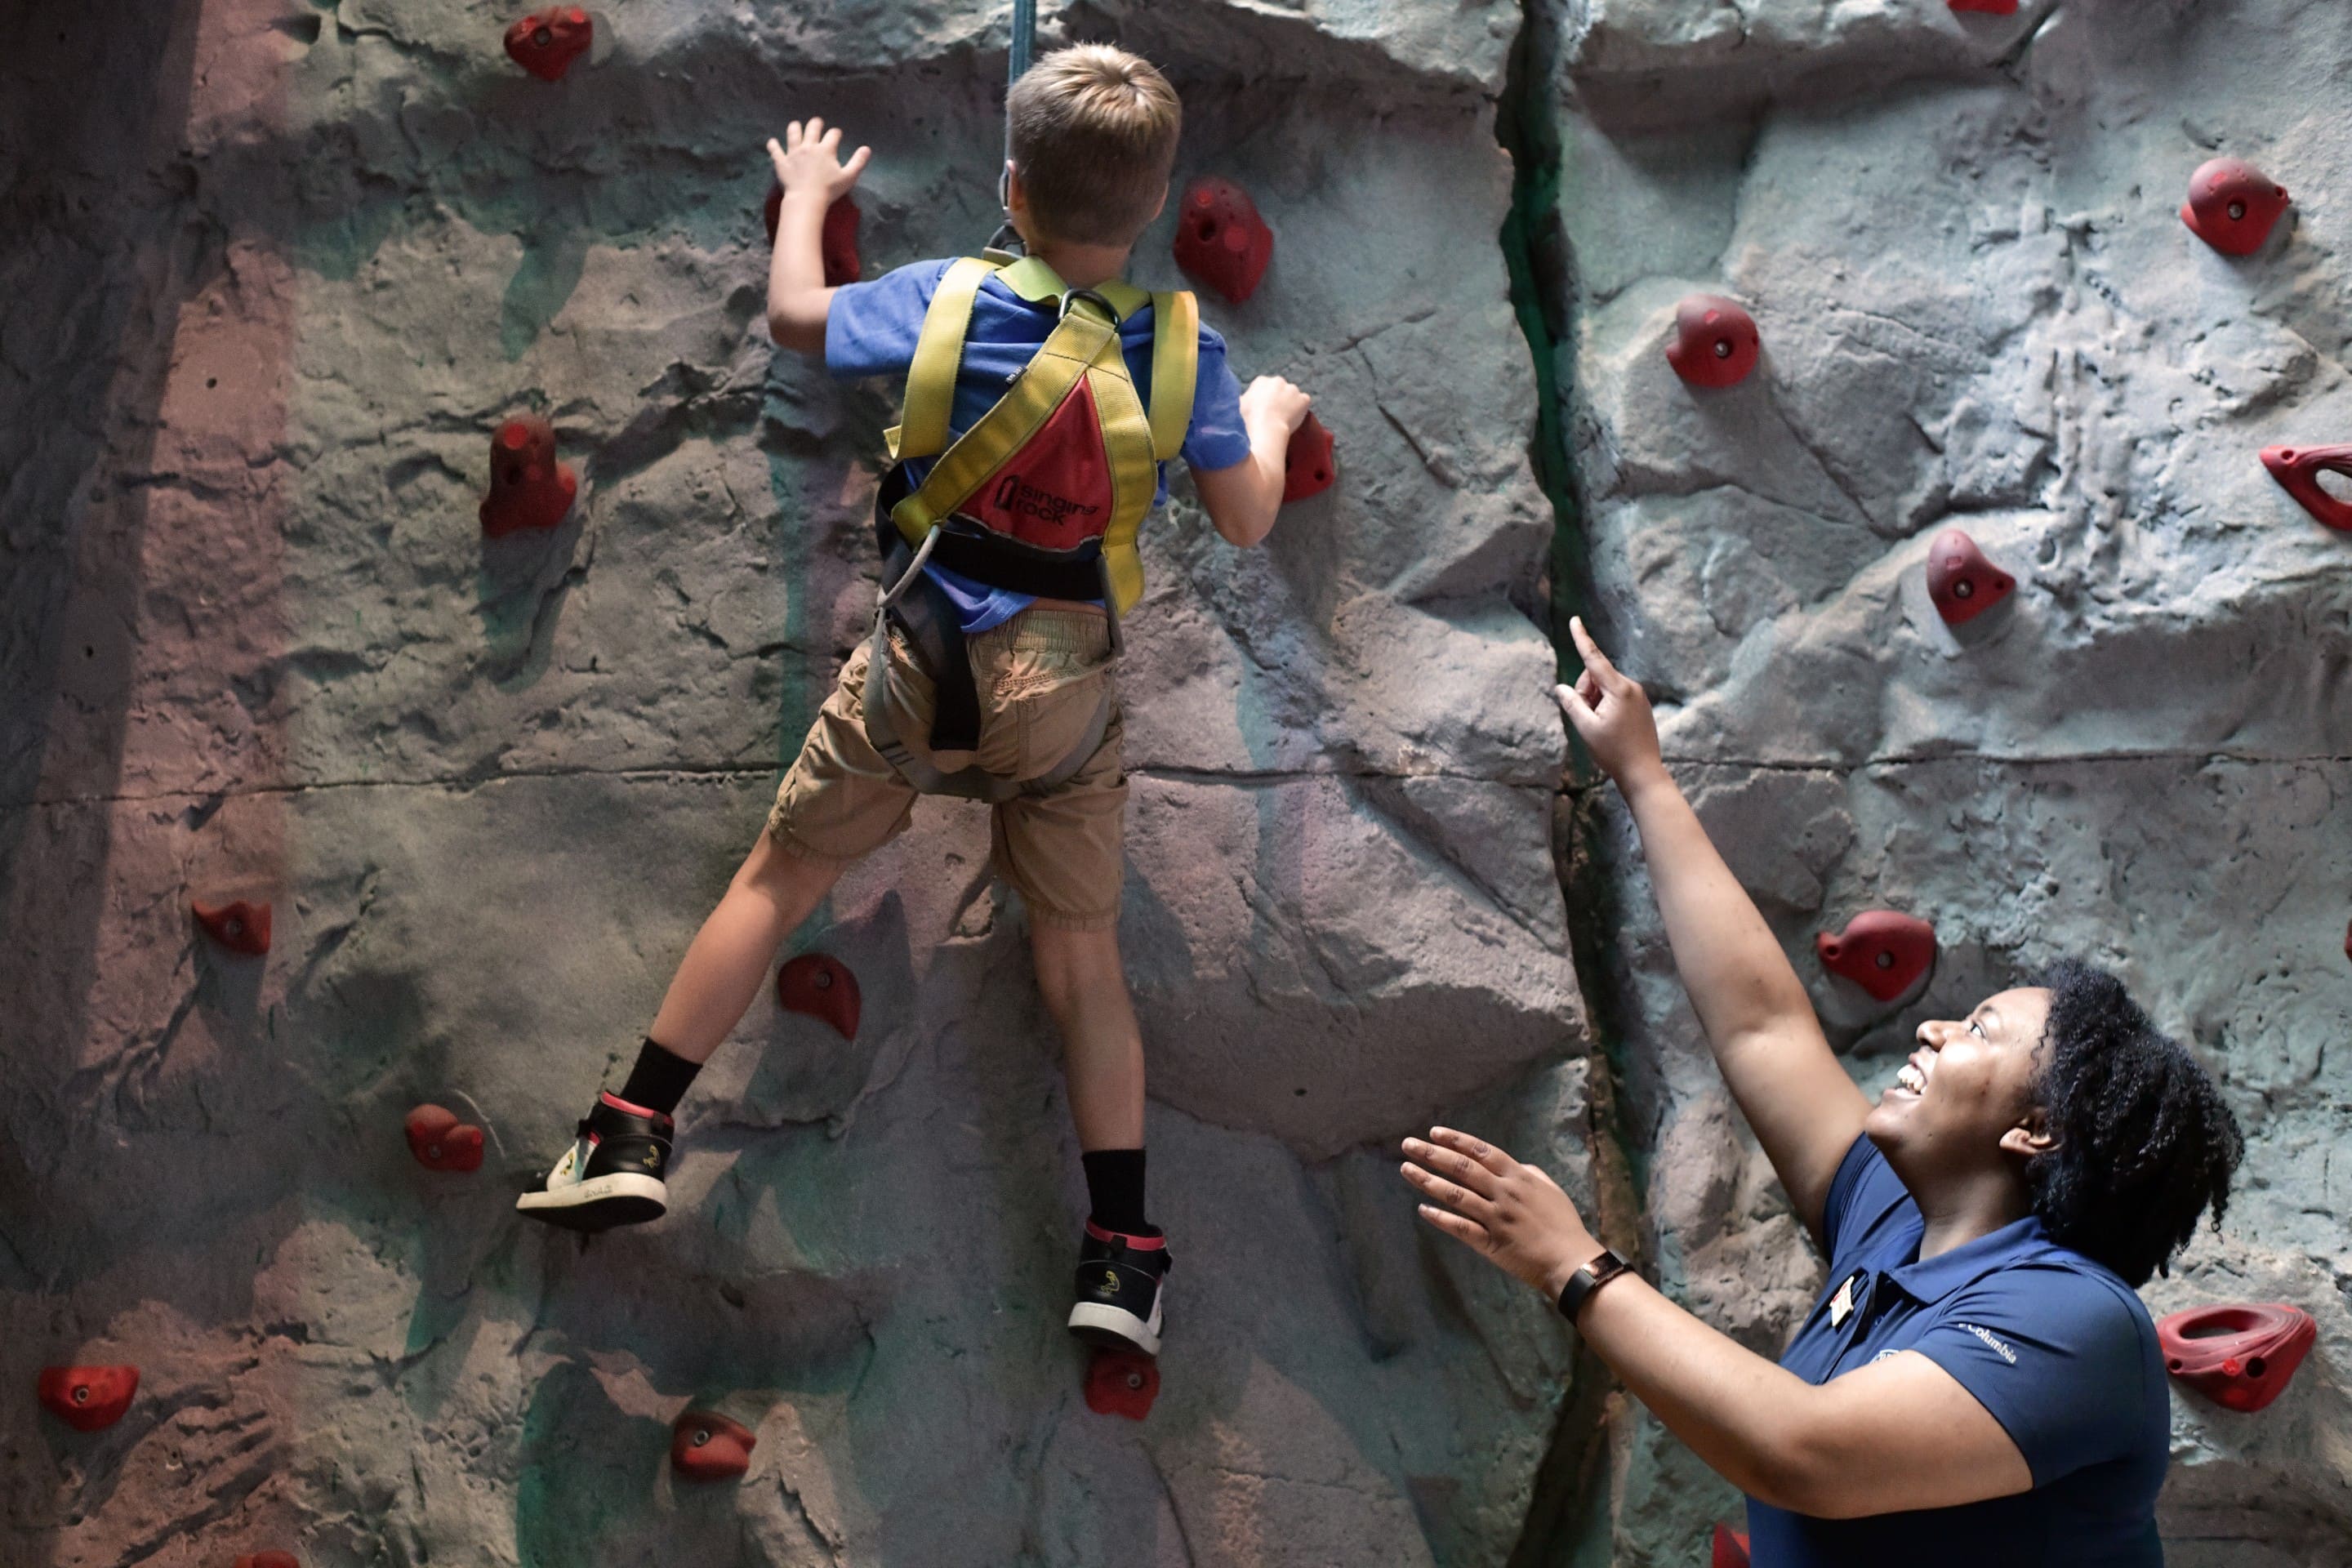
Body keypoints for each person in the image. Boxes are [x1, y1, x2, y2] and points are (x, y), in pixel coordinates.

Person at [517, 45, 1314, 1364]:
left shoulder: (946, 296)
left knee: (781, 876)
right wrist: (1271, 418)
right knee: (1079, 965)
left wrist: (814, 192)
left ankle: (631, 1125)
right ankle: (1120, 1251)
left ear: (1011, 182)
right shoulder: (1187, 350)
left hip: (918, 662)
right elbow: (1245, 519)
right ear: (1161, 205)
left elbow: (796, 319)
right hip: (1062, 695)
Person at [1402, 617, 2244, 1566]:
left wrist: (1577, 1266)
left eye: (1979, 1031)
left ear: (2038, 1129)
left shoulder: (2077, 1322)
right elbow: (1764, 1029)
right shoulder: (1894, 1226)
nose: (1934, 1027)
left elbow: (1807, 1455)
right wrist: (1643, 773)